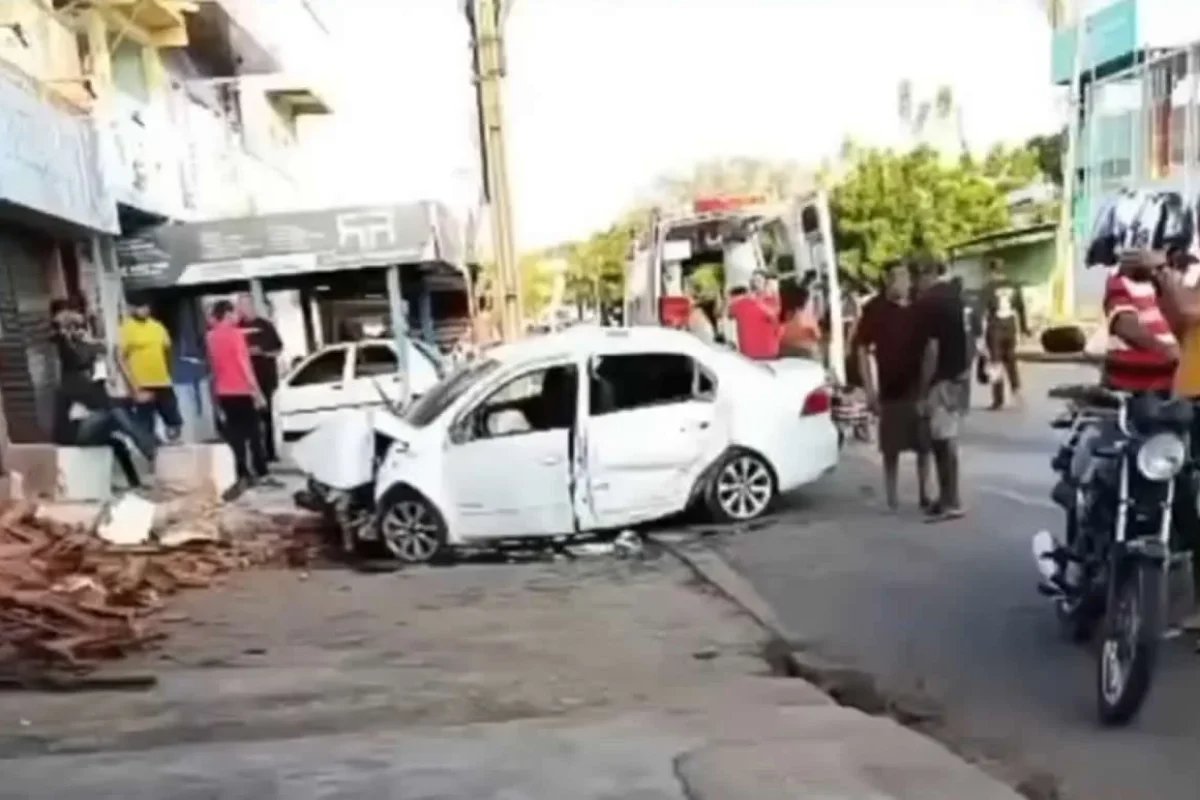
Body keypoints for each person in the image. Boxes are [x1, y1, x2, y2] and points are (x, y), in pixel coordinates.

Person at [51, 298, 157, 489]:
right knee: (115, 413)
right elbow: (77, 353)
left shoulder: (89, 379)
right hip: (73, 433)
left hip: (88, 426)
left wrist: (86, 337)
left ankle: (136, 482)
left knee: (118, 442)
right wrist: (69, 333)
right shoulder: (72, 379)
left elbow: (98, 350)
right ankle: (150, 449)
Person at [854, 260, 931, 512]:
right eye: (896, 277)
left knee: (923, 444)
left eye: (905, 276)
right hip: (890, 388)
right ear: (886, 280)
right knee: (891, 448)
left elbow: (932, 345)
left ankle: (924, 492)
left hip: (919, 387)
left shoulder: (920, 306)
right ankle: (892, 497)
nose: (902, 282)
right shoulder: (874, 309)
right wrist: (869, 389)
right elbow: (861, 348)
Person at [913, 259, 970, 522]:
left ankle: (951, 500)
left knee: (942, 442)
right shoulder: (954, 297)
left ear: (923, 275)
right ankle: (947, 498)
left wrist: (924, 391)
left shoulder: (928, 304)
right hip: (959, 376)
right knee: (948, 438)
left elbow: (931, 350)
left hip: (941, 380)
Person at [206, 299, 269, 495]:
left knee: (236, 436)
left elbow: (213, 367)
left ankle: (241, 472)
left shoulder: (210, 337)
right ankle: (260, 471)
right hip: (241, 390)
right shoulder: (235, 335)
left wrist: (214, 395)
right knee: (254, 433)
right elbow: (244, 364)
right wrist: (257, 392)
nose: (237, 317)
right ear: (227, 314)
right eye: (234, 313)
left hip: (223, 392)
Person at [117, 295, 182, 443]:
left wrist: (169, 374)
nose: (144, 310)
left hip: (162, 381)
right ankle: (152, 451)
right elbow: (120, 358)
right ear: (132, 308)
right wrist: (133, 386)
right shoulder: (127, 329)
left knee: (174, 421)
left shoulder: (158, 327)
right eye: (140, 307)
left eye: (146, 306)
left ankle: (172, 445)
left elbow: (167, 351)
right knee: (145, 424)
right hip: (142, 384)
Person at [236, 294, 284, 464]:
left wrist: (262, 352)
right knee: (249, 419)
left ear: (252, 305)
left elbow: (278, 350)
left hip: (266, 378)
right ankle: (254, 454)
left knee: (267, 417)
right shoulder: (237, 328)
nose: (244, 309)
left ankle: (270, 452)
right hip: (245, 382)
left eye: (246, 305)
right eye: (240, 306)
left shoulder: (265, 326)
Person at [980, 259, 1030, 409]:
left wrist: (979, 334)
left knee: (996, 362)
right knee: (1010, 359)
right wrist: (1024, 328)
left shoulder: (988, 287)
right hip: (1010, 325)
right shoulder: (1014, 285)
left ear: (991, 270)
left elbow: (981, 311)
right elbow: (1021, 308)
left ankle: (998, 399)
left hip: (995, 326)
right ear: (1003, 269)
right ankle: (1016, 390)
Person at [727, 278, 780, 360]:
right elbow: (729, 314)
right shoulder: (744, 304)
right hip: (763, 352)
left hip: (755, 353)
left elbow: (729, 314)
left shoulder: (738, 305)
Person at [778, 286, 822, 358]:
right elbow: (817, 336)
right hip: (805, 352)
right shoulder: (805, 316)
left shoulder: (780, 314)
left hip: (783, 350)